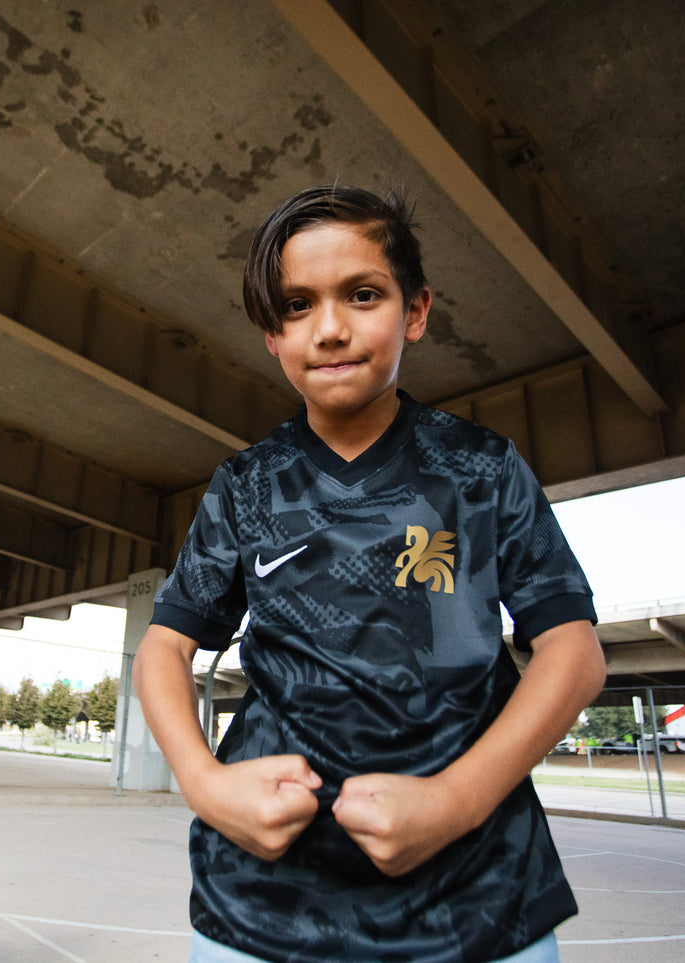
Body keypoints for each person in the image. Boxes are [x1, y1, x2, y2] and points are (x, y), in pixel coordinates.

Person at [133, 184, 607, 962]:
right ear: (270, 336)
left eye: (361, 294)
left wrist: (456, 799)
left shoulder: (482, 469)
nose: (328, 328)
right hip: (262, 902)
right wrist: (203, 781)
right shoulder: (245, 485)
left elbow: (573, 651)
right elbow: (163, 648)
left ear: (414, 312)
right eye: (294, 305)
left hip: (478, 895)